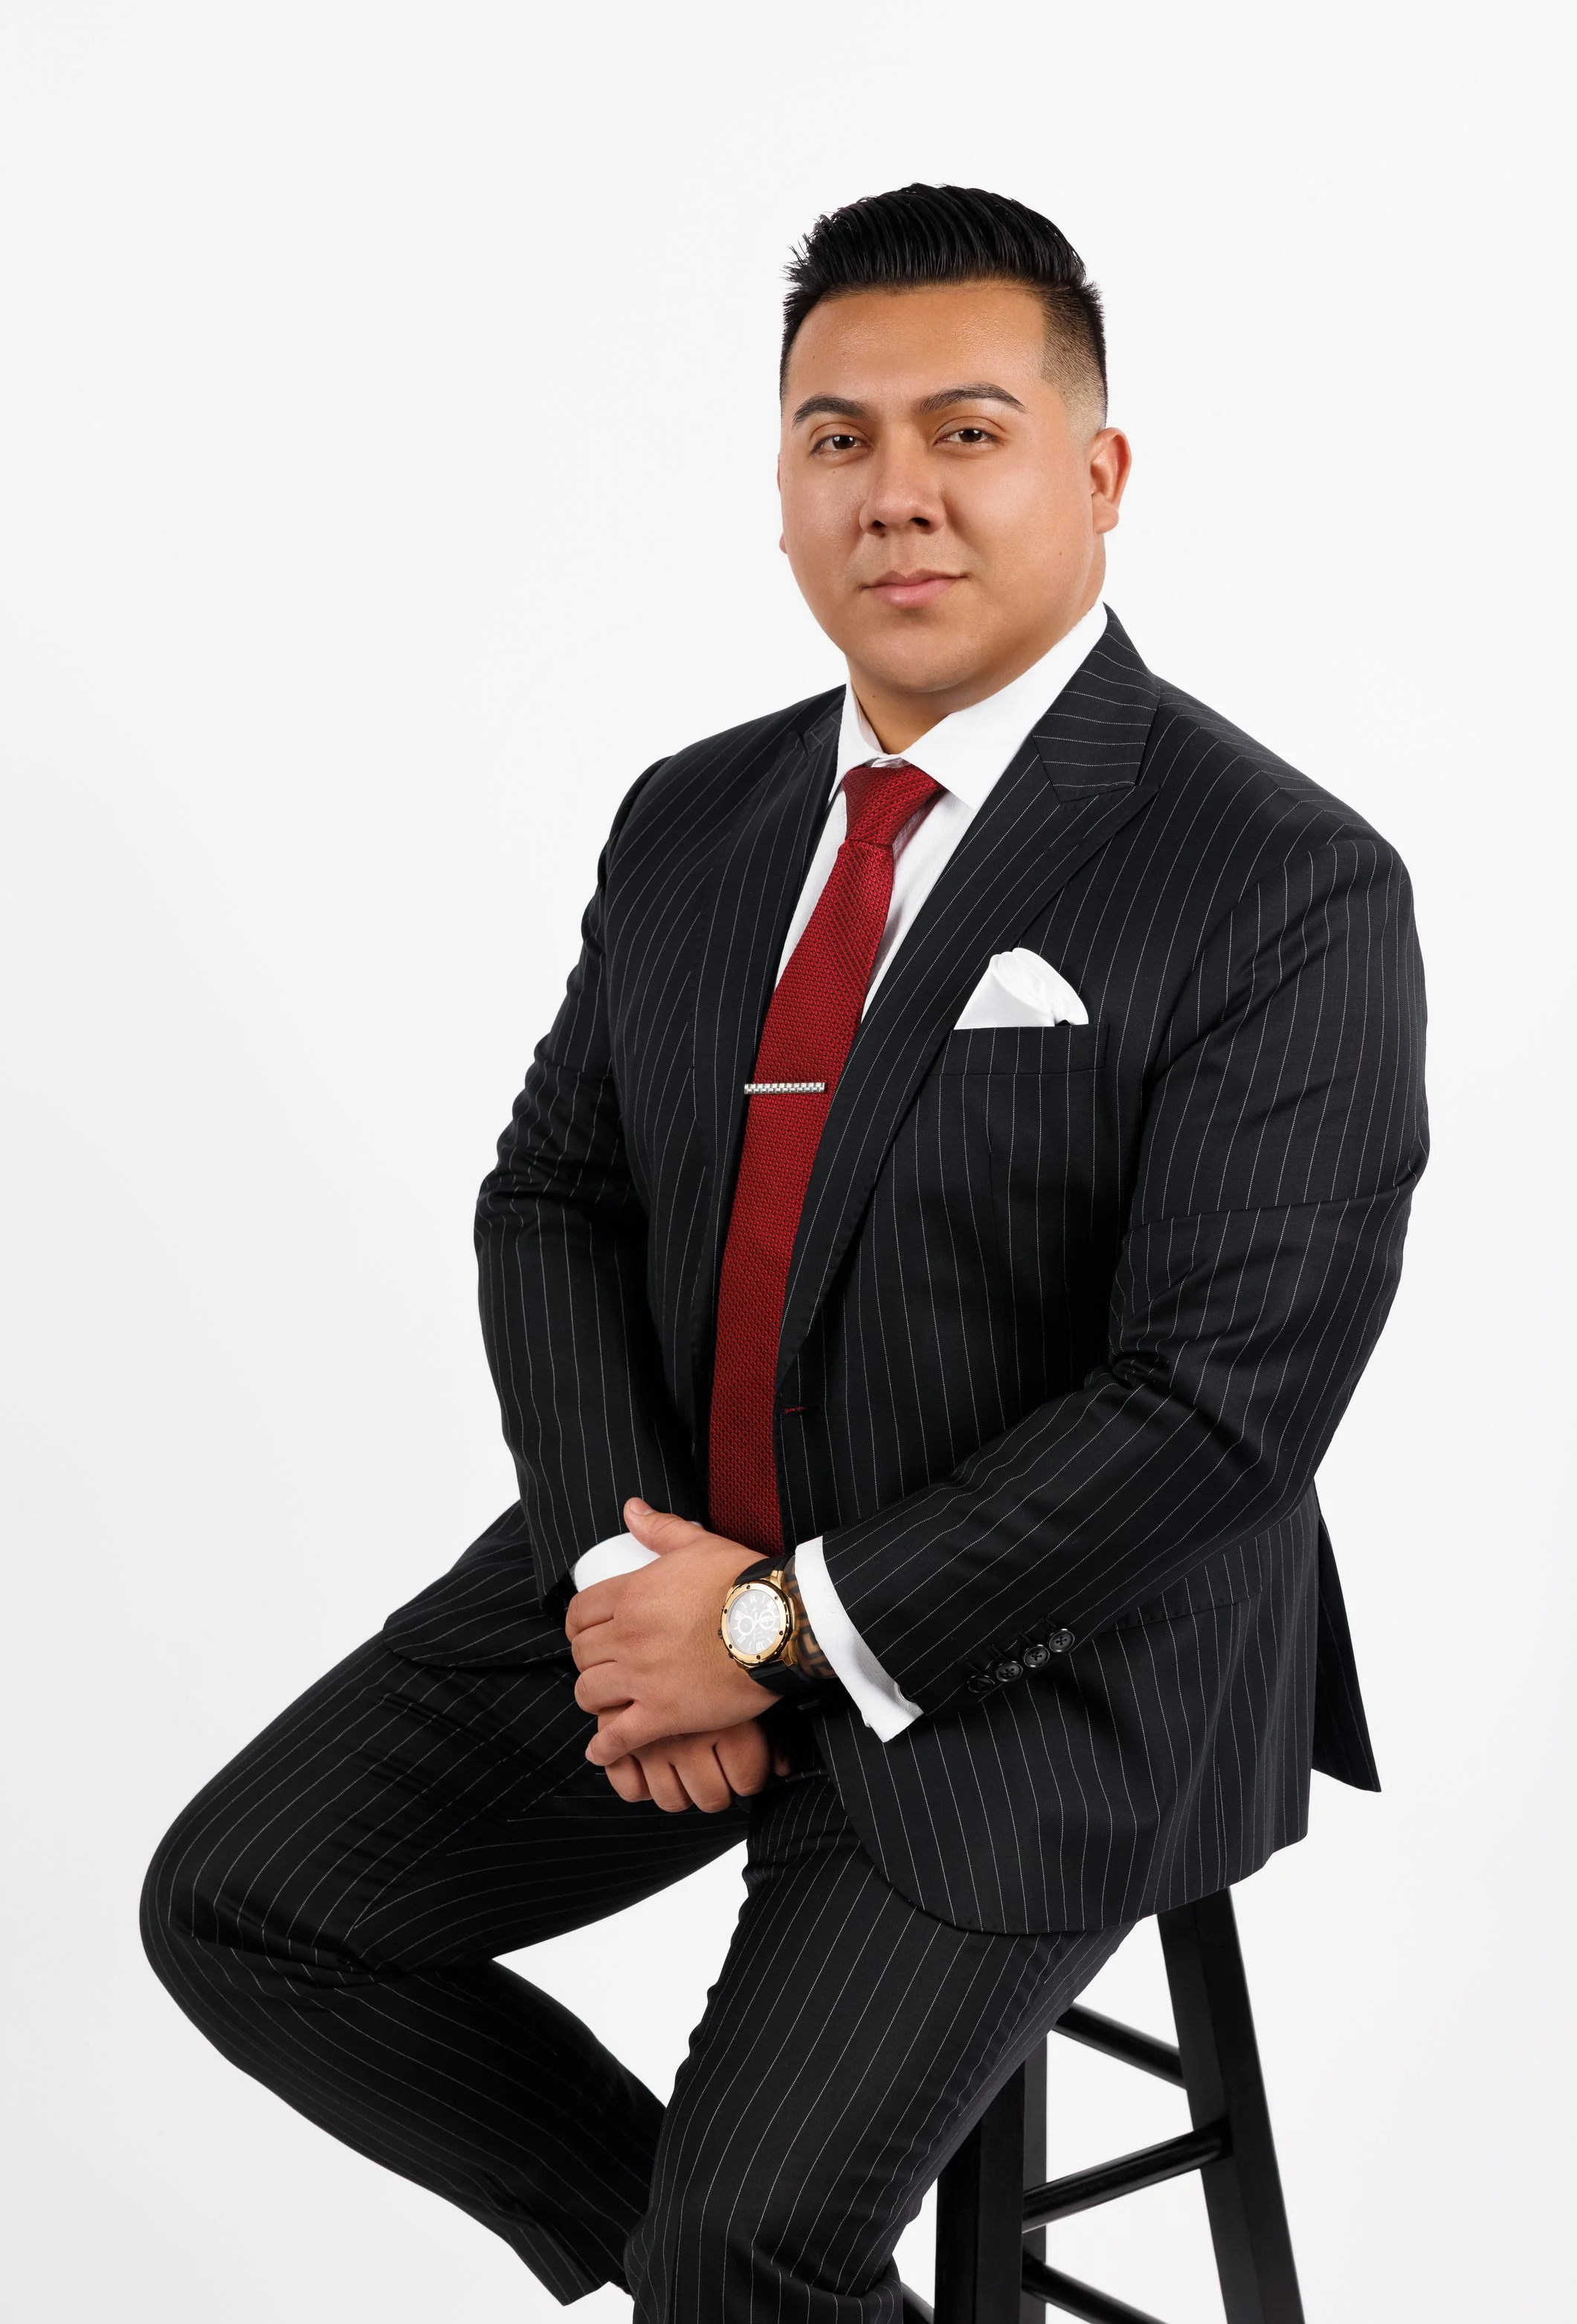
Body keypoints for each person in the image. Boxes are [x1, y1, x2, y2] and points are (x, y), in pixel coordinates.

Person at [142, 183, 1428, 2318]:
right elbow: (554, 1195)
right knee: (248, 1908)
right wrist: (628, 1577)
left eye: (965, 431)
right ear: (778, 485)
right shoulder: (696, 815)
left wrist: (779, 1632)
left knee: (752, 2240)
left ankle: (723, 2276)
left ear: (1094, 475)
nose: (895, 494)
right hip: (679, 1549)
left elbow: (1218, 1407)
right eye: (837, 439)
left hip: (1051, 1657)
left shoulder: (1278, 877)